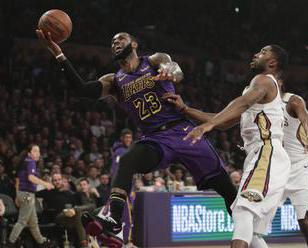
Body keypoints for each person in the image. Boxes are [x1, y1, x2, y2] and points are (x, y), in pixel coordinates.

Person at [36, 30, 237, 246]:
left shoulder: (153, 60)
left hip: (183, 131)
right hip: (156, 139)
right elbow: (82, 89)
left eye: (120, 39)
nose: (115, 43)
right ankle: (114, 218)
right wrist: (59, 54)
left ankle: (248, 233)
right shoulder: (114, 81)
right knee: (128, 160)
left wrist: (171, 73)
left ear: (134, 43)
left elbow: (176, 70)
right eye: (112, 42)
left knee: (227, 191)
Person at [164, 45, 291, 248]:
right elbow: (222, 121)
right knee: (251, 228)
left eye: (263, 52)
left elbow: (241, 104)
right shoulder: (257, 88)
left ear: (272, 62)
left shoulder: (264, 81)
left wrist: (208, 125)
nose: (256, 54)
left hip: (267, 152)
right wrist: (185, 109)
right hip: (263, 155)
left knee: (242, 212)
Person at [249, 80, 308, 248]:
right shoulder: (260, 106)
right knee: (253, 229)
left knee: (306, 223)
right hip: (277, 168)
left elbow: (307, 120)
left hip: (301, 167)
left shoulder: (293, 101)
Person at [7, 144, 54, 248]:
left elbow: (18, 181)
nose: (38, 153)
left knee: (33, 221)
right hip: (27, 194)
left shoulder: (23, 162)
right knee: (22, 221)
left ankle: (41, 242)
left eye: (39, 151)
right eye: (35, 151)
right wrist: (45, 184)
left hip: (22, 193)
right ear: (29, 153)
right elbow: (31, 178)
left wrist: (17, 196)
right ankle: (10, 243)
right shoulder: (31, 162)